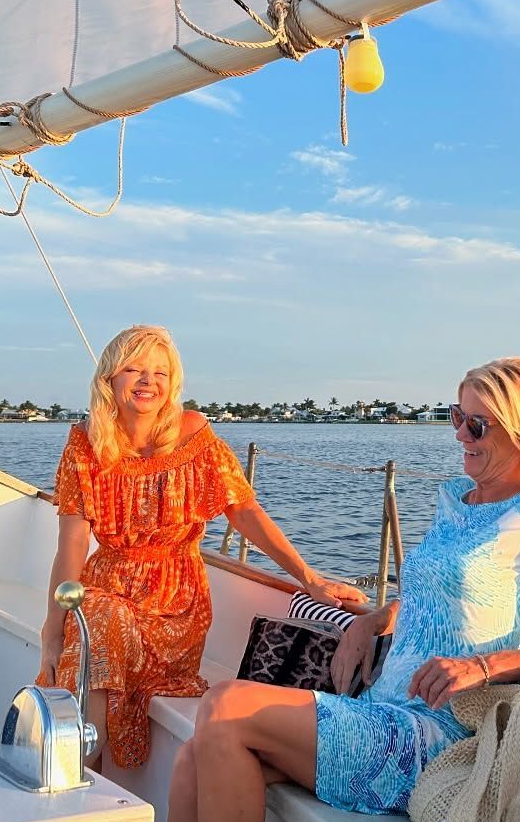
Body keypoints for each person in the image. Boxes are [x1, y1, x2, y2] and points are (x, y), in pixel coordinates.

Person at [164, 356, 520, 822]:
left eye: (477, 424)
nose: (460, 434)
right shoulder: (458, 497)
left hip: (431, 733)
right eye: (455, 417)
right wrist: (375, 618)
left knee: (224, 704)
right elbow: (438, 594)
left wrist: (485, 667)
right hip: (379, 709)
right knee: (193, 758)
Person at [36, 325, 365, 769]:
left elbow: (245, 511)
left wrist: (309, 579)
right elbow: (72, 544)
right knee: (96, 622)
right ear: (109, 378)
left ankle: (80, 777)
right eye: (134, 369)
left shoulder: (193, 434)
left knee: (97, 624)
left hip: (174, 602)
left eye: (161, 372)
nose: (148, 381)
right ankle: (83, 775)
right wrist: (51, 633)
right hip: (106, 588)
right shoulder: (85, 442)